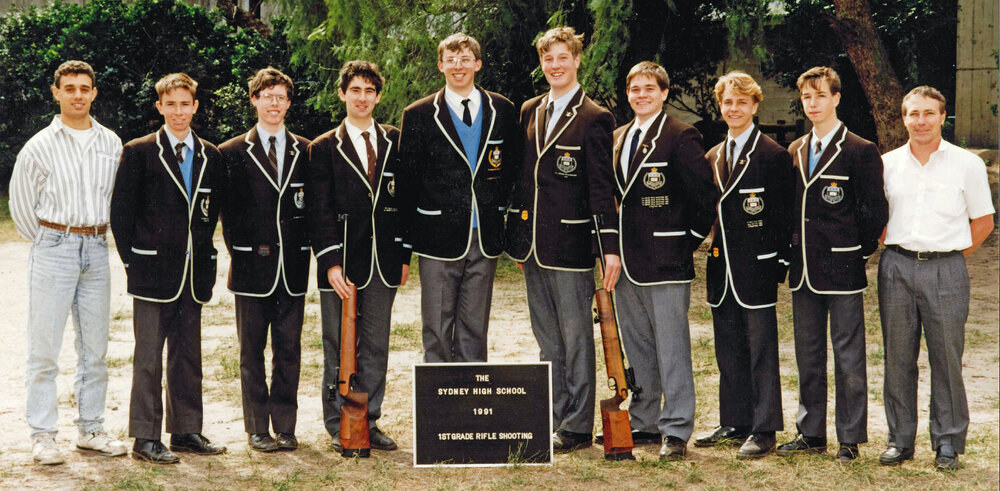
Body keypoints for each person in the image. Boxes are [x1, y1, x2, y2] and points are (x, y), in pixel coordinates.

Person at [504, 26, 620, 452]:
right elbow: (522, 180)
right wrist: (519, 237)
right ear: (542, 63)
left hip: (571, 245)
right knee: (547, 338)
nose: (555, 65)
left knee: (575, 338)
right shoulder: (529, 109)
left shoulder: (595, 117)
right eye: (548, 58)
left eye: (562, 58)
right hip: (533, 245)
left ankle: (577, 424)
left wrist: (609, 248)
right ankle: (554, 415)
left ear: (576, 60)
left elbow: (601, 188)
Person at [9, 60, 129, 465]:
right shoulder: (39, 146)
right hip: (54, 248)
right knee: (44, 349)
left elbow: (116, 198)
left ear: (94, 93)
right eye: (70, 88)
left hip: (96, 247)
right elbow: (21, 207)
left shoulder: (111, 142)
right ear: (56, 92)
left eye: (84, 88)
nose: (78, 95)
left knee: (95, 348)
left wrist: (89, 237)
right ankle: (43, 435)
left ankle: (91, 428)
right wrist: (53, 239)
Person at [110, 72, 227, 464]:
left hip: (192, 274)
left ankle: (186, 430)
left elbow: (209, 215)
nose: (179, 112)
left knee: (187, 354)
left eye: (185, 104)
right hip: (151, 273)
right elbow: (121, 215)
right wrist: (134, 261)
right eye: (171, 104)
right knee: (148, 358)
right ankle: (145, 437)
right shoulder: (140, 151)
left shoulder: (210, 154)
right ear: (159, 107)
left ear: (195, 106)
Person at [877, 86, 994, 470]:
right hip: (896, 267)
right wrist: (898, 248)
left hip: (946, 269)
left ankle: (947, 442)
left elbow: (983, 222)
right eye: (913, 113)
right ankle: (900, 440)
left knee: (946, 358)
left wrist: (949, 256)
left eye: (929, 113)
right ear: (903, 118)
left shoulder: (967, 164)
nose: (921, 121)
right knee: (897, 357)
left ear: (943, 116)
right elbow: (878, 219)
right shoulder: (887, 164)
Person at [606, 61, 718, 460]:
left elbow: (705, 197)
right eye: (635, 89)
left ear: (664, 93)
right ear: (628, 94)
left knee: (672, 348)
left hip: (666, 260)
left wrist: (684, 242)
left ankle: (677, 427)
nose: (641, 95)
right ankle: (644, 421)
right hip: (626, 263)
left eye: (649, 89)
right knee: (638, 345)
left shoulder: (680, 135)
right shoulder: (618, 137)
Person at [778, 66, 888, 462]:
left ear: (836, 98)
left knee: (848, 356)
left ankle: (849, 438)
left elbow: (875, 211)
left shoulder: (860, 149)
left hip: (843, 268)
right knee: (808, 354)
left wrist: (857, 252)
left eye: (820, 95)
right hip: (805, 269)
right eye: (806, 97)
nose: (813, 103)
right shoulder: (795, 149)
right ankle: (811, 433)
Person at [397, 33, 519, 363]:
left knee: (475, 327)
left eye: (465, 59)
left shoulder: (502, 109)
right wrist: (404, 247)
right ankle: (438, 393)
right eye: (450, 60)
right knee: (437, 326)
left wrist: (498, 210)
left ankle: (470, 391)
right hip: (437, 237)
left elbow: (511, 169)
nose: (458, 66)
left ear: (478, 64)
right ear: (440, 66)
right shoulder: (419, 114)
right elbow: (407, 184)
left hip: (485, 235)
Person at [308, 60, 409, 452]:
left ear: (378, 96)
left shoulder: (395, 141)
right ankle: (338, 424)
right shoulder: (322, 147)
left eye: (369, 91)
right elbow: (318, 210)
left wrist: (403, 256)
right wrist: (330, 262)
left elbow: (404, 202)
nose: (362, 98)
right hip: (343, 263)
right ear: (342, 94)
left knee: (376, 343)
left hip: (384, 260)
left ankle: (369, 419)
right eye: (355, 90)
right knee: (338, 344)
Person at [695, 71, 793, 459]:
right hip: (722, 268)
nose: (733, 109)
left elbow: (784, 216)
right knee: (729, 348)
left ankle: (764, 428)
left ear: (755, 105)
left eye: (741, 102)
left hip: (757, 266)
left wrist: (779, 262)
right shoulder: (713, 156)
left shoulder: (773, 154)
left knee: (761, 349)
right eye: (727, 102)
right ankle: (734, 421)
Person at [218, 67, 311, 452]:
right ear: (254, 100)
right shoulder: (231, 152)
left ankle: (285, 425)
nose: (274, 104)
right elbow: (226, 215)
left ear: (288, 103)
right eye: (267, 96)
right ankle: (257, 427)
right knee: (251, 352)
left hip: (292, 269)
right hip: (250, 269)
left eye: (281, 97)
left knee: (289, 351)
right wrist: (243, 251)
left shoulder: (306, 150)